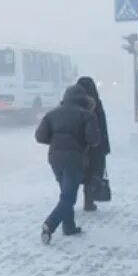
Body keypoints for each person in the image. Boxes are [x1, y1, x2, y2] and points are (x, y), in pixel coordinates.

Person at [35, 85, 101, 244]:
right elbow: (94, 140)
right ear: (83, 99)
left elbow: (40, 136)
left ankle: (69, 226)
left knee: (65, 193)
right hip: (74, 159)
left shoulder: (52, 114)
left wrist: (56, 140)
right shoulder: (87, 116)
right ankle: (49, 225)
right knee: (69, 197)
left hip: (55, 159)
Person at [76, 77, 110, 211]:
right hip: (96, 145)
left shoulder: (75, 104)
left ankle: (69, 201)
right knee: (93, 172)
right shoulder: (97, 103)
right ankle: (89, 202)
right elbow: (103, 126)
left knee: (79, 173)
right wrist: (105, 147)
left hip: (80, 146)